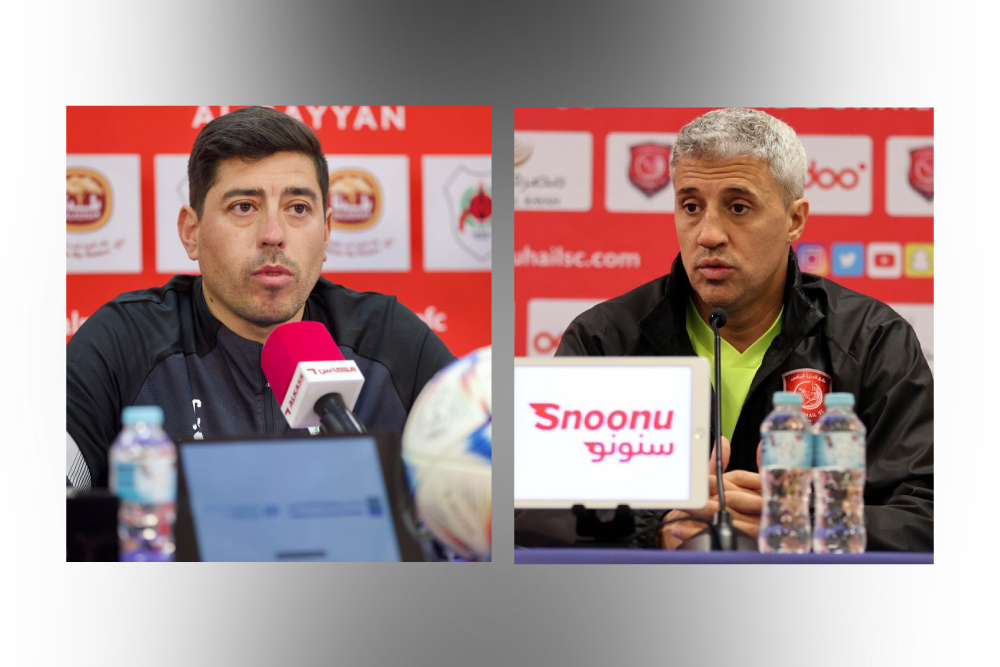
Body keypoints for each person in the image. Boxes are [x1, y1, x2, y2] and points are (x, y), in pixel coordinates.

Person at [514, 108, 933, 552]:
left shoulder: (871, 340)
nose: (709, 233)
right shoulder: (607, 339)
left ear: (795, 220)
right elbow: (532, 507)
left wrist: (792, 520)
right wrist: (654, 528)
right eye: (691, 206)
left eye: (738, 207)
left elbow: (927, 511)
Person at [67, 106, 455, 490]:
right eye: (243, 207)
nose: (273, 233)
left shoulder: (388, 339)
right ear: (191, 232)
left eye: (298, 208)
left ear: (326, 232)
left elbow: (496, 478)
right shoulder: (125, 341)